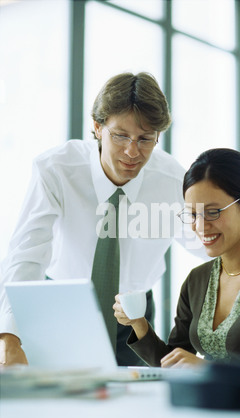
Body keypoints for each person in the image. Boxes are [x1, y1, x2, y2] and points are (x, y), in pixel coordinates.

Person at [0, 72, 204, 367]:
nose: (132, 152)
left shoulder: (172, 179)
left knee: (135, 405)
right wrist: (9, 337)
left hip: (135, 318)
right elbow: (27, 254)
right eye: (120, 135)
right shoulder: (56, 169)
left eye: (145, 139)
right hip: (60, 306)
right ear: (97, 127)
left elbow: (208, 236)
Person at [114, 148, 240, 388]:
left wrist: (211, 369)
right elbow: (173, 362)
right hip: (211, 413)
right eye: (192, 215)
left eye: (212, 212)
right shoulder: (197, 280)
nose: (200, 227)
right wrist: (139, 324)